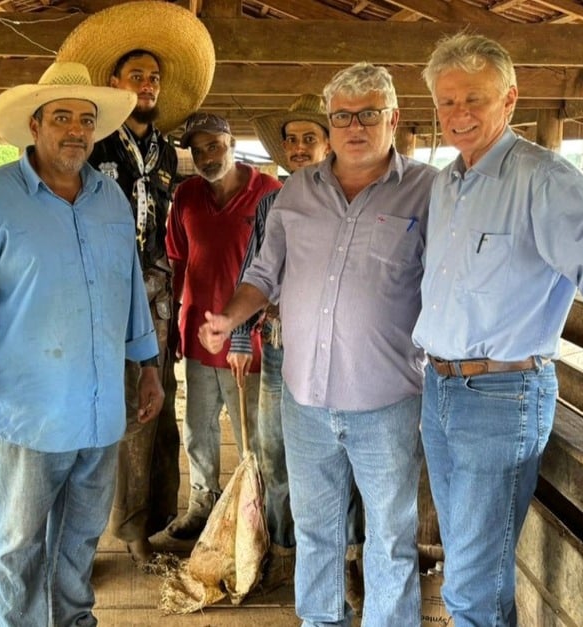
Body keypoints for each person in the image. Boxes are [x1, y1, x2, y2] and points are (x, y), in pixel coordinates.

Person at [414, 33, 583, 627]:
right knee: (466, 569)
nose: (459, 115)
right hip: (442, 391)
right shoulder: (447, 185)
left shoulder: (543, 180)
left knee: (473, 592)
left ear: (509, 100)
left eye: (473, 99)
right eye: (447, 102)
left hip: (502, 399)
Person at [198, 63, 437, 626]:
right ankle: (320, 621)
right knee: (316, 528)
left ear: (393, 118)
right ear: (330, 124)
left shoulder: (429, 191)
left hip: (389, 400)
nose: (354, 126)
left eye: (368, 114)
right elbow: (264, 272)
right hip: (306, 397)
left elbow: (455, 278)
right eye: (342, 116)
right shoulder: (297, 193)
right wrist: (229, 316)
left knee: (391, 534)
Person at [0, 61, 163, 626]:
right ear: (35, 125)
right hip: (28, 414)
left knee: (80, 544)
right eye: (62, 117)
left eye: (86, 119)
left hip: (100, 411)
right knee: (17, 548)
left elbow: (130, 286)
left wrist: (149, 365)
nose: (76, 130)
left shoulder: (109, 198)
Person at [57, 0, 216, 565]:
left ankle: (158, 515)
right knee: (127, 403)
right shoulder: (93, 143)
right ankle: (127, 531)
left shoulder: (164, 151)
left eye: (154, 78)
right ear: (113, 83)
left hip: (158, 286)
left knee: (160, 395)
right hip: (104, 287)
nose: (147, 86)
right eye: (136, 76)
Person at [227, 93, 351, 593]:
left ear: (328, 144)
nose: (299, 148)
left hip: (340, 350)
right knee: (273, 449)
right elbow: (254, 270)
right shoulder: (271, 203)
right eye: (292, 140)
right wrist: (239, 337)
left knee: (342, 451)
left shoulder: (353, 198)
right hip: (279, 346)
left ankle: (346, 557)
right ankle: (284, 551)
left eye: (309, 139)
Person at [163, 112, 281, 540]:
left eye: (214, 145)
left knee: (253, 431)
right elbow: (178, 261)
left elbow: (279, 271)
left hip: (247, 340)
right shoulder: (187, 195)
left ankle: (256, 512)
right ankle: (203, 501)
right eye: (197, 149)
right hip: (198, 331)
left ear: (232, 142)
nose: (206, 156)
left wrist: (247, 334)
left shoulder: (268, 192)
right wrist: (176, 320)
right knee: (198, 426)